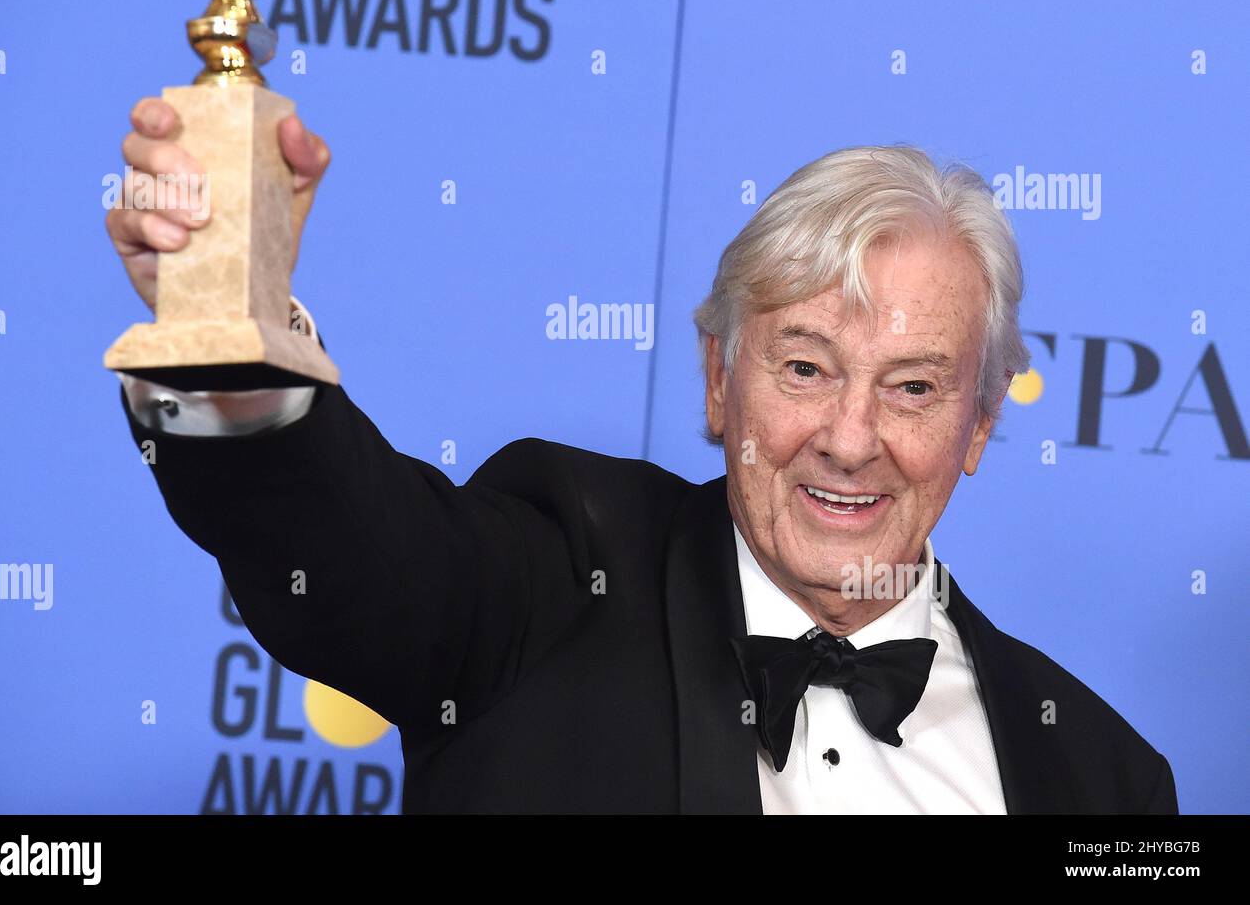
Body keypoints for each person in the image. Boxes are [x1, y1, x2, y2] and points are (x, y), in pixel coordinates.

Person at [108, 98, 1179, 814]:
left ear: (979, 425)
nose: (850, 439)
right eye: (804, 368)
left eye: (912, 388)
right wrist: (228, 336)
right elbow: (344, 551)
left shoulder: (1108, 778)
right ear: (719, 380)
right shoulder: (552, 576)